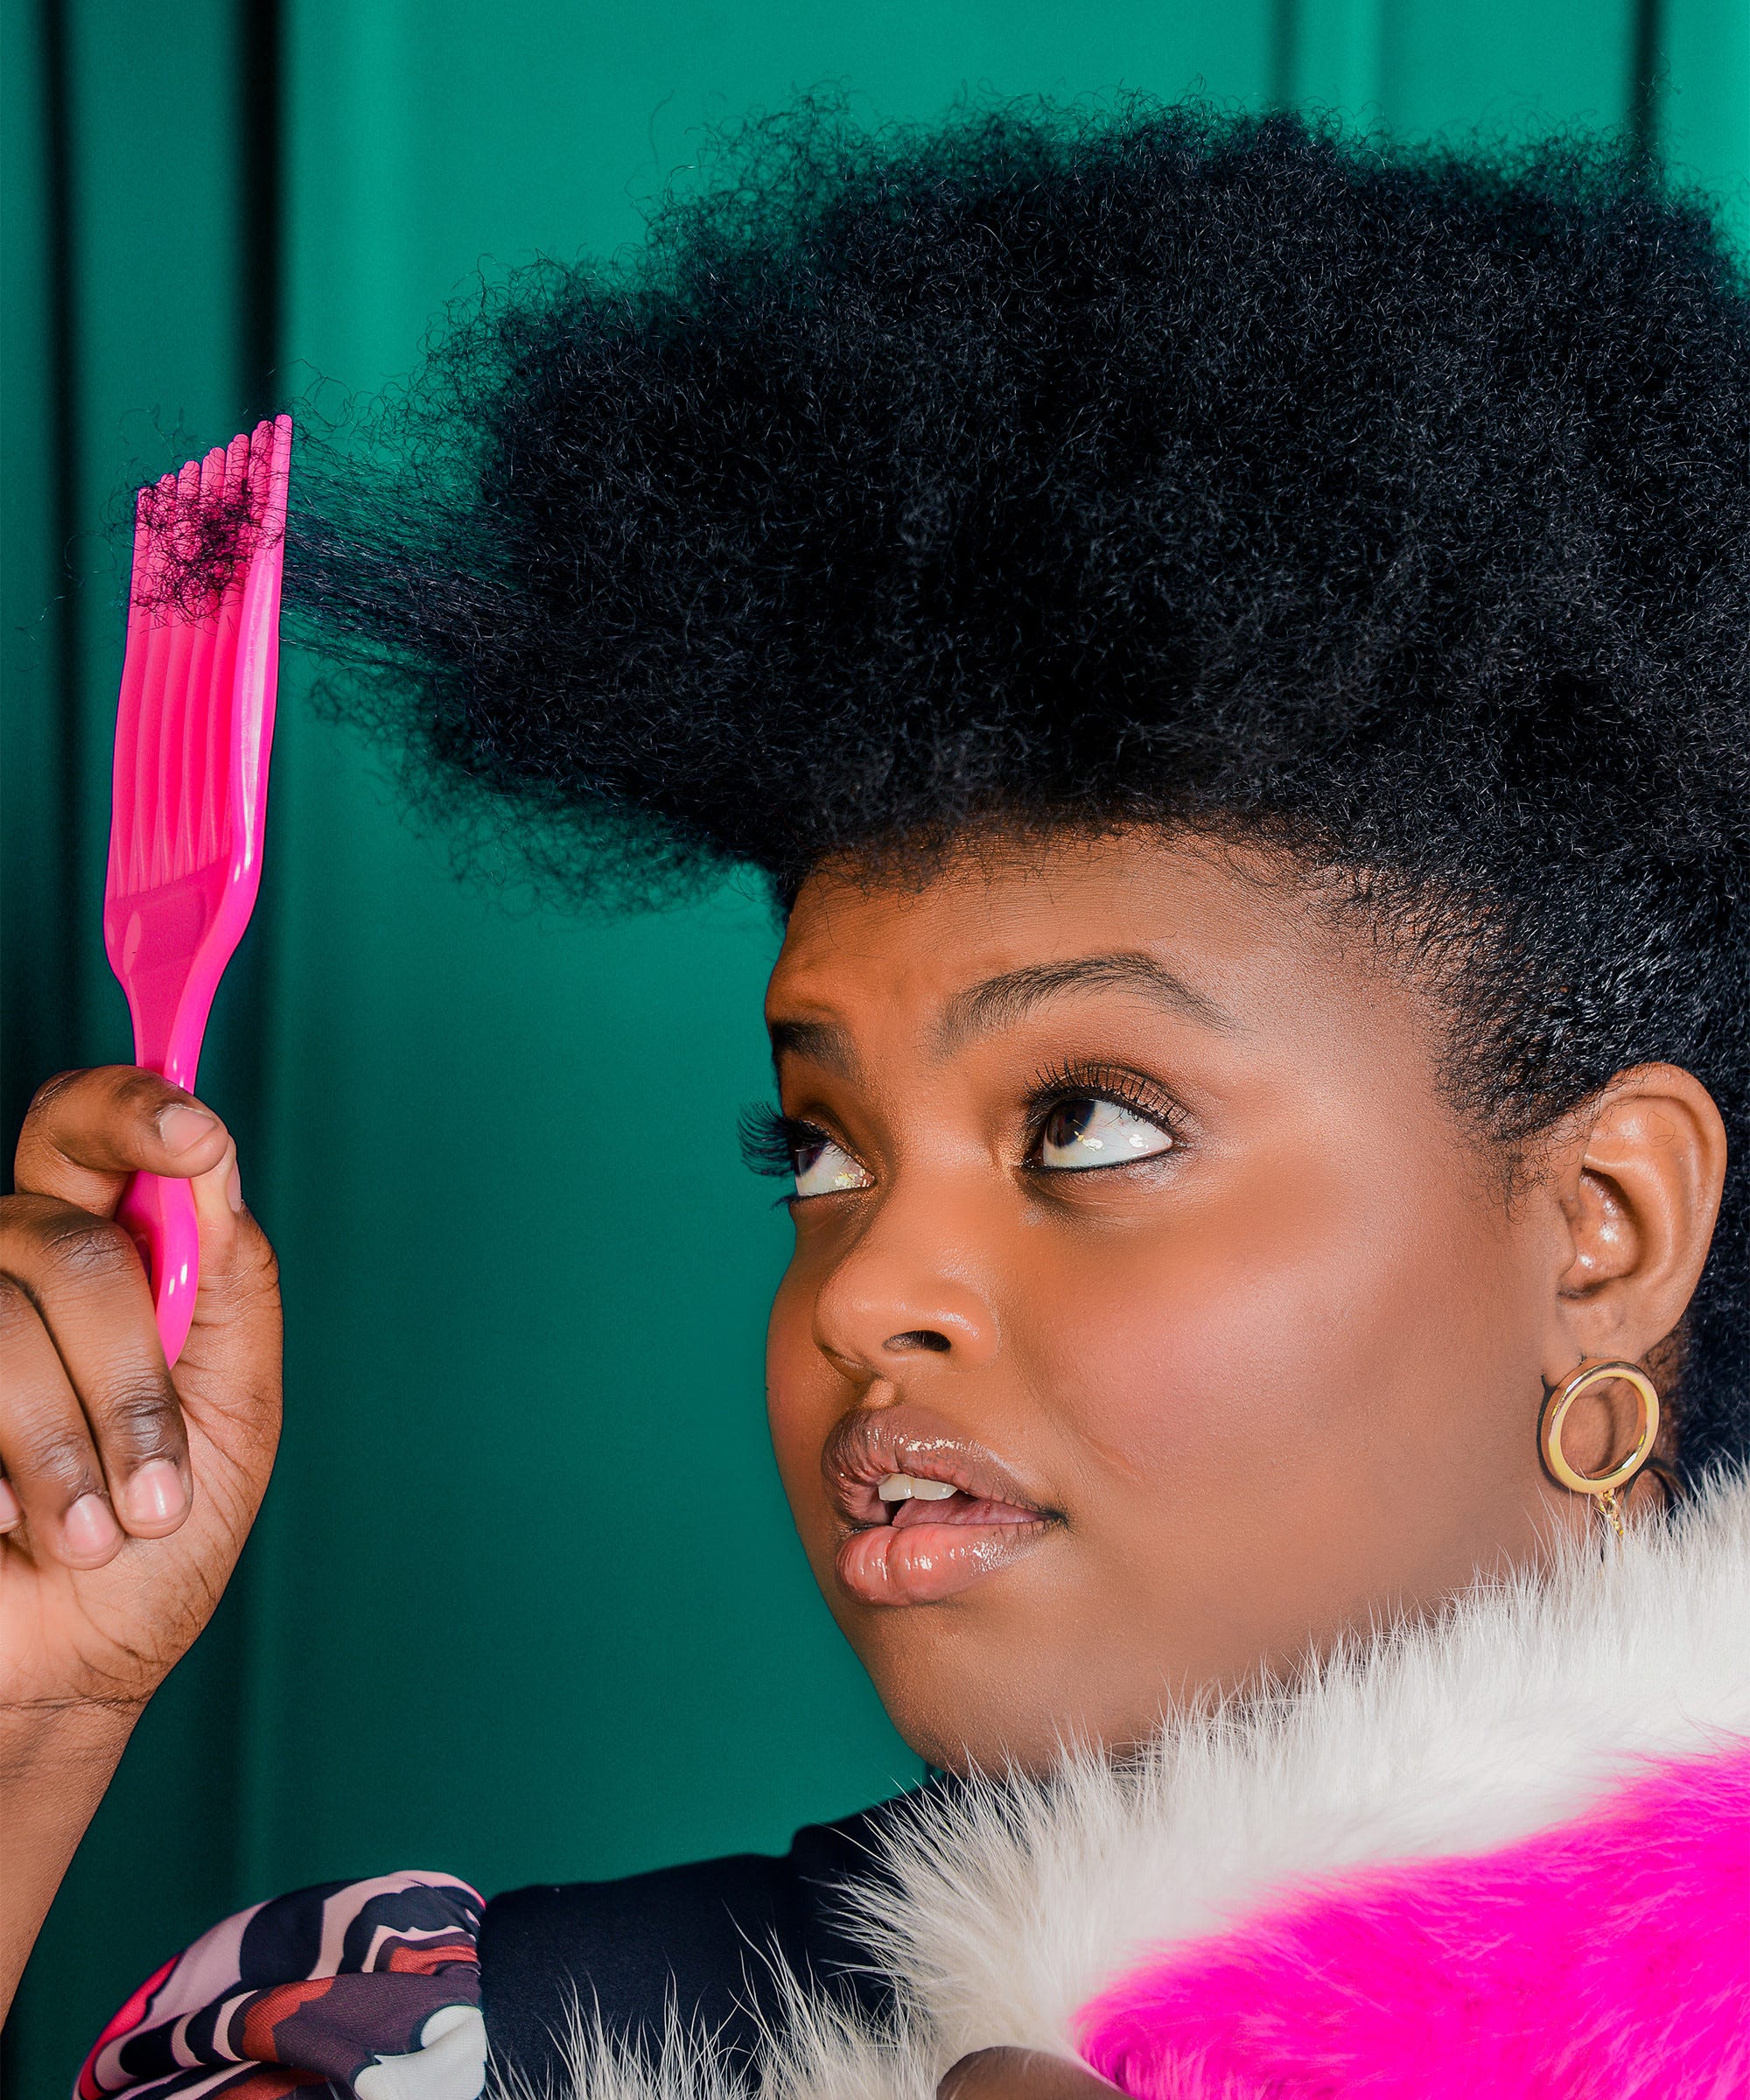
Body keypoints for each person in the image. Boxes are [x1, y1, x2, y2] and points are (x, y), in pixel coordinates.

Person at [4, 100, 1747, 2100]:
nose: (863, 1293)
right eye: (820, 1151)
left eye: (1089, 1124)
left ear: (1603, 1229)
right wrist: (22, 1732)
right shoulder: (444, 2046)